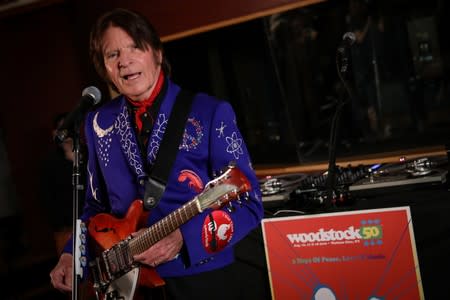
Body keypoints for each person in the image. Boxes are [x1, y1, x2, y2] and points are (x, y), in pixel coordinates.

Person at [49, 7, 263, 300]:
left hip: (204, 278)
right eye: (112, 55)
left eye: (135, 47)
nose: (124, 61)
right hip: (130, 285)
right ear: (105, 69)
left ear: (158, 54)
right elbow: (94, 208)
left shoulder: (211, 112)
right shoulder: (97, 123)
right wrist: (72, 255)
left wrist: (183, 239)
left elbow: (249, 204)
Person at [40, 112, 86, 254]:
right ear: (56, 133)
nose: (68, 132)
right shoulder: (50, 163)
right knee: (73, 269)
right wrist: (61, 226)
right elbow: (46, 198)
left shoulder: (89, 154)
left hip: (97, 222)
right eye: (64, 128)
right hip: (67, 228)